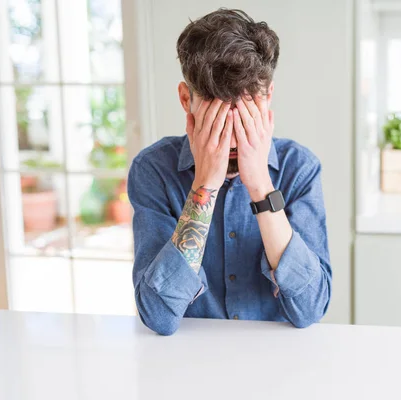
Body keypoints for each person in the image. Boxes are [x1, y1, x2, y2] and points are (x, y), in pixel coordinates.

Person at [127, 9, 331, 335]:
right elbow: (158, 316)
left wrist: (261, 184)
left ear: (268, 98)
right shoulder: (153, 170)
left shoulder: (299, 169)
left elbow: (310, 308)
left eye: (245, 110)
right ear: (185, 99)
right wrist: (204, 184)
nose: (232, 133)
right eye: (219, 115)